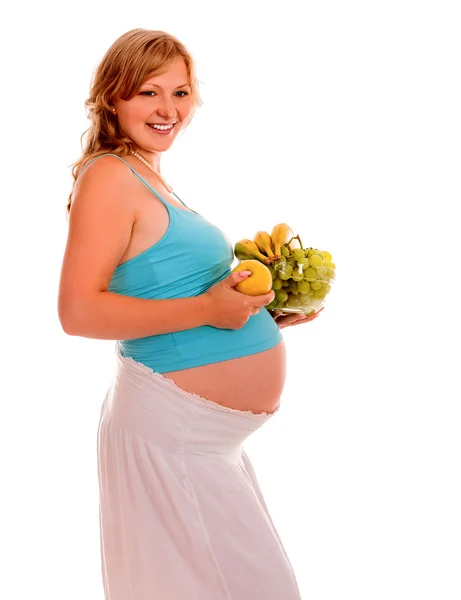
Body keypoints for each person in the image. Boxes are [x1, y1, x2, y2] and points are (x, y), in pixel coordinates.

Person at [58, 27, 322, 600]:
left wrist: (257, 314)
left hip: (197, 437)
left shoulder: (147, 175)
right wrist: (208, 307)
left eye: (181, 93)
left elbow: (158, 292)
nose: (167, 109)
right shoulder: (108, 177)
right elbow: (78, 312)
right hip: (174, 431)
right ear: (113, 96)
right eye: (149, 92)